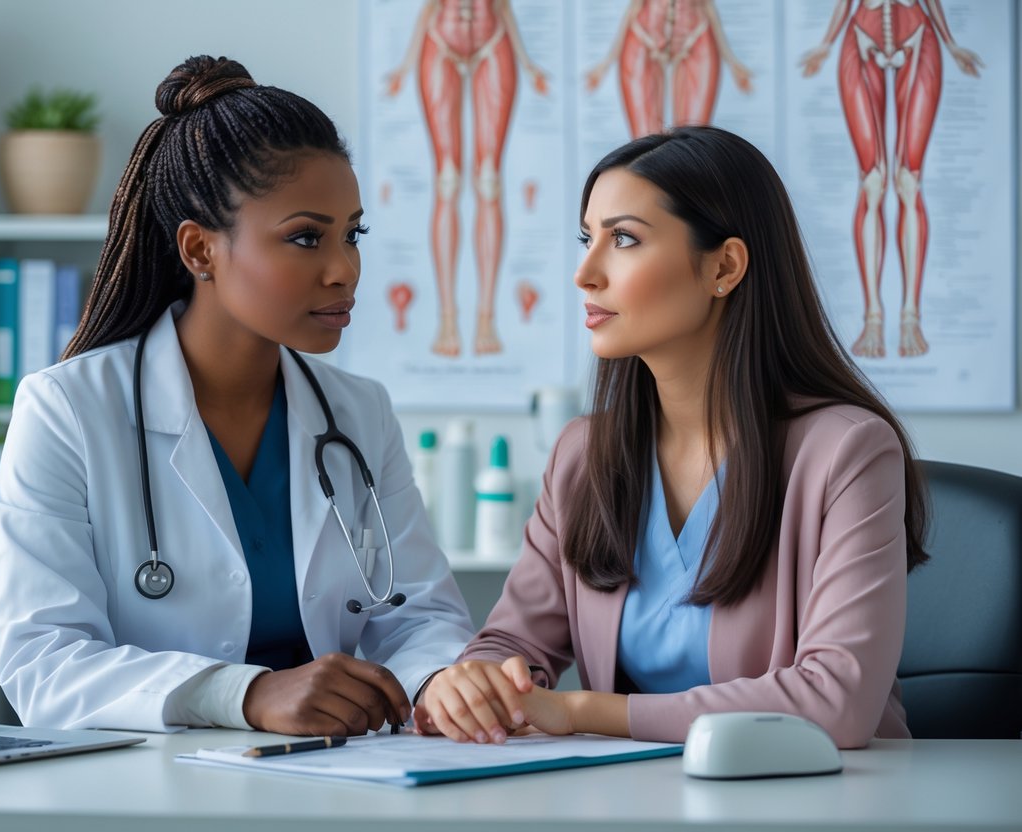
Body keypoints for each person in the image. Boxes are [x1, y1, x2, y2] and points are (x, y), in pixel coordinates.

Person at [0, 56, 475, 735]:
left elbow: (419, 618)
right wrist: (242, 696)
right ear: (199, 250)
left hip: (341, 772)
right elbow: (41, 662)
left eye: (351, 235)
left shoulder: (358, 413)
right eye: (305, 237)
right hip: (148, 785)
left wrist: (443, 680)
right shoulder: (66, 410)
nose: (343, 270)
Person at [416, 125, 929, 749]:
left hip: (822, 799)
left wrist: (581, 710)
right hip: (635, 799)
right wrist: (469, 684)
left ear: (725, 266)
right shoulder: (582, 456)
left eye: (624, 239)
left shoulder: (846, 452)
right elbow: (514, 643)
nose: (584, 273)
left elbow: (836, 702)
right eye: (587, 239)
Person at [800, 0, 983, 358]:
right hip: (861, 36)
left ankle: (910, 317)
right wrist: (826, 43)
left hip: (918, 37)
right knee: (873, 182)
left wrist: (950, 43)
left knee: (907, 181)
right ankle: (873, 318)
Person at [384, 0, 549, 357]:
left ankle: (486, 320)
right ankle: (447, 321)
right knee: (447, 181)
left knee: (489, 181)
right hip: (441, 36)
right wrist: (403, 67)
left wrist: (528, 63)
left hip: (494, 35)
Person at [584, 0, 753, 137]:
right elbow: (634, 7)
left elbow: (707, 5)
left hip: (696, 34)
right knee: (644, 142)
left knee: (693, 141)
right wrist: (605, 65)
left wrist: (732, 62)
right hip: (643, 36)